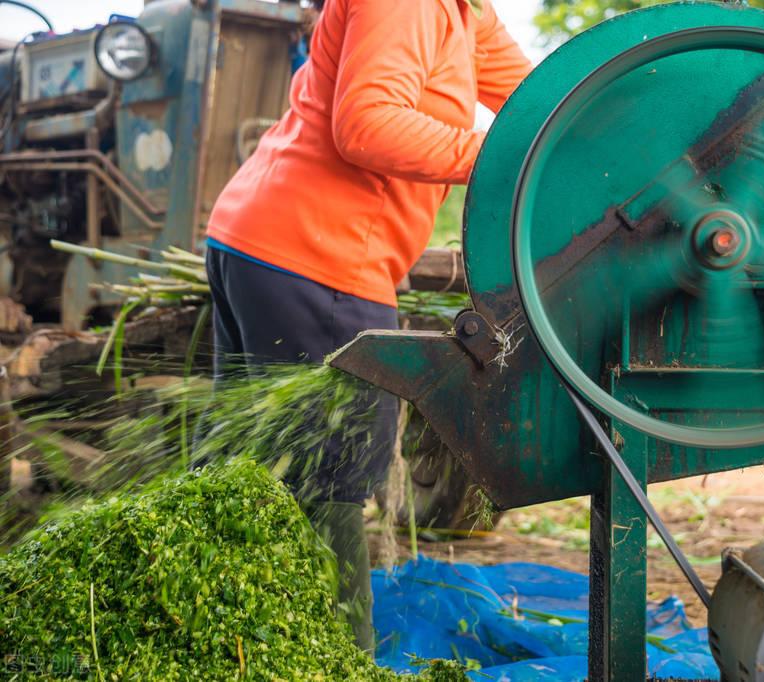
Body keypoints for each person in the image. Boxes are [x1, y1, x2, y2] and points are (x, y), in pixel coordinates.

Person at [203, 0, 530, 652]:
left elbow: (542, 103)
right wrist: (499, 162)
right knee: (333, 477)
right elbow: (368, 125)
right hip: (314, 254)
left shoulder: (464, 13)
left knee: (249, 460)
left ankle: (222, 630)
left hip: (265, 240)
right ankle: (334, 655)